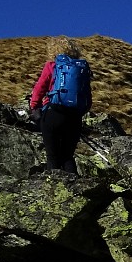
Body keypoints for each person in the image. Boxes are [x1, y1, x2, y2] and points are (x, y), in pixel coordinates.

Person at [29, 37, 92, 173]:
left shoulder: (52, 65)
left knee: (53, 157)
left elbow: (39, 88)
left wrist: (34, 107)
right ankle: (75, 190)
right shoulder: (81, 68)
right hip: (74, 118)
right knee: (67, 157)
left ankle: (54, 189)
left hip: (54, 114)